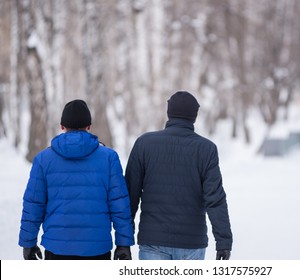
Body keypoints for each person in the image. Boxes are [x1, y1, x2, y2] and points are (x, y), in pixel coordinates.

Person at [18, 99, 134, 260]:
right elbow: (119, 204)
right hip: (97, 249)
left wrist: (28, 243)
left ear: (62, 127)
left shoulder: (44, 159)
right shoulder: (109, 158)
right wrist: (123, 244)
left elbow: (33, 204)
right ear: (89, 126)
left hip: (57, 248)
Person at [125, 91, 233, 260]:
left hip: (153, 241)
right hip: (191, 245)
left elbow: (130, 195)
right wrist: (224, 241)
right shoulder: (206, 149)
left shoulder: (144, 143)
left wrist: (124, 241)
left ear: (169, 112)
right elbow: (215, 198)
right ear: (194, 117)